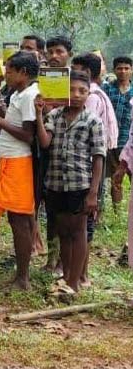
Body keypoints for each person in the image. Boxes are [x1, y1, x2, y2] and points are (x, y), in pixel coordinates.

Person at [34, 70, 105, 295]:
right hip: (56, 184)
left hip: (80, 185)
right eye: (72, 90)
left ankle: (75, 281)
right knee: (63, 231)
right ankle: (65, 278)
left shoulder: (93, 121)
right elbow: (45, 143)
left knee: (79, 231)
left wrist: (93, 193)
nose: (76, 95)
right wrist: (39, 114)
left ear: (88, 94)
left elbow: (98, 157)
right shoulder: (55, 116)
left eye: (82, 91)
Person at [0, 52, 41, 290]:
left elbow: (27, 135)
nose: (6, 75)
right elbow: (12, 122)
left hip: (19, 161)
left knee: (19, 220)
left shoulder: (30, 96)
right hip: (10, 160)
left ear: (23, 73)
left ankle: (23, 278)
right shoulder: (18, 93)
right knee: (17, 220)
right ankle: (20, 275)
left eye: (10, 71)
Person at [70, 52, 117, 286]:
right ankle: (76, 273)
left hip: (86, 171)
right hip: (80, 170)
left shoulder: (92, 99)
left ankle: (82, 275)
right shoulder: (95, 95)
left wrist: (93, 188)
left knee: (84, 225)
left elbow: (95, 148)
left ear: (88, 74)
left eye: (78, 70)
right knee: (77, 224)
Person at [103, 56, 133, 211]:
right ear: (114, 70)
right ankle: (117, 212)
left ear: (131, 70)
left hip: (130, 142)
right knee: (116, 178)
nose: (123, 71)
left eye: (126, 68)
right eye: (120, 68)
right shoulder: (107, 89)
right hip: (113, 141)